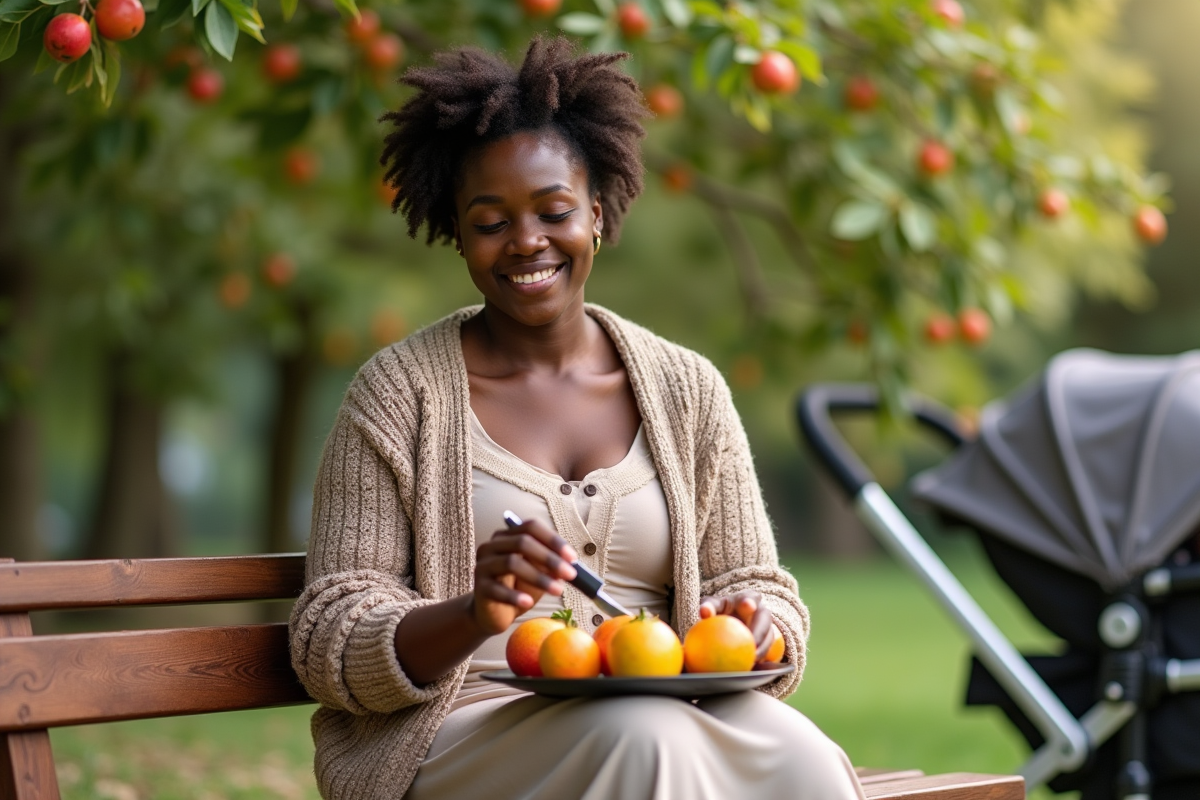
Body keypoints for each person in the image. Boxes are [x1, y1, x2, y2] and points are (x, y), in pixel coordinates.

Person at [289, 36, 866, 800]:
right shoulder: (398, 396)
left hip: (670, 705)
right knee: (644, 741)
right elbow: (329, 632)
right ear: (456, 232)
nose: (526, 241)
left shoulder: (686, 388)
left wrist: (760, 626)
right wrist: (472, 612)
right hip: (459, 729)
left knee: (804, 758)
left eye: (553, 211)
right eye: (490, 221)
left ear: (596, 214)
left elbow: (760, 583)